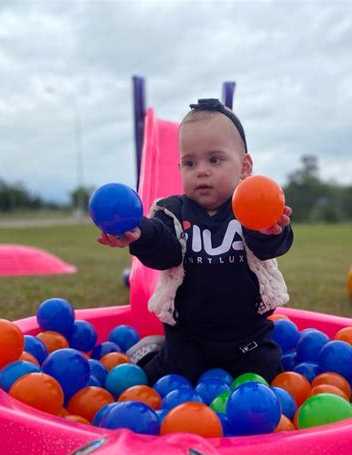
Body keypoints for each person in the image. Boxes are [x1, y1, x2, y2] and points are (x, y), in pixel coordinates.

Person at [98, 98, 293, 385]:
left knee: (265, 375)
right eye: (190, 163)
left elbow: (271, 247)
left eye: (214, 159)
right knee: (166, 380)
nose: (201, 170)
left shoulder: (254, 206)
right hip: (189, 335)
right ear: (179, 168)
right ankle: (150, 352)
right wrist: (141, 235)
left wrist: (268, 230)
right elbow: (164, 250)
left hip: (246, 335)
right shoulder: (173, 211)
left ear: (245, 166)